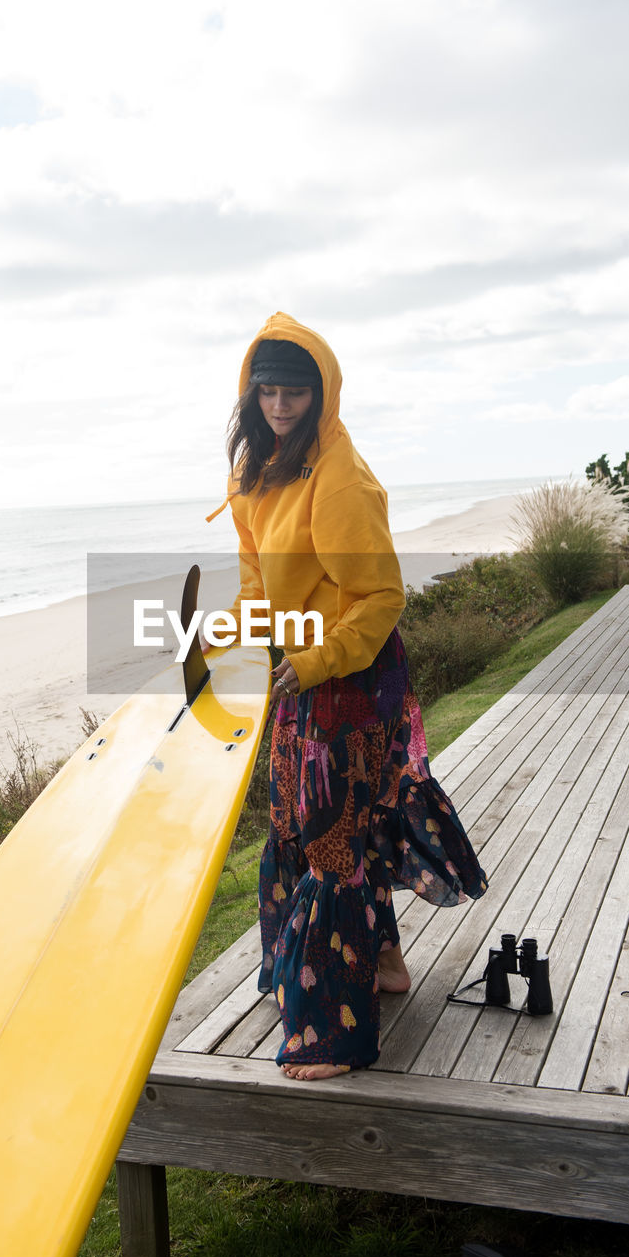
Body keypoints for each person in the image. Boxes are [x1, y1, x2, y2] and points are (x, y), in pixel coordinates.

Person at [206, 313, 488, 1081]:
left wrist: (323, 657)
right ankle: (386, 961)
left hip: (354, 679)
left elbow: (381, 594)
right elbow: (260, 588)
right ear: (250, 393)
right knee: (305, 825)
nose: (280, 405)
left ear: (320, 392)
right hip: (303, 673)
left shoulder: (341, 479)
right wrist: (217, 638)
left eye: (294, 391)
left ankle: (332, 1029)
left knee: (332, 835)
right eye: (266, 390)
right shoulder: (256, 475)